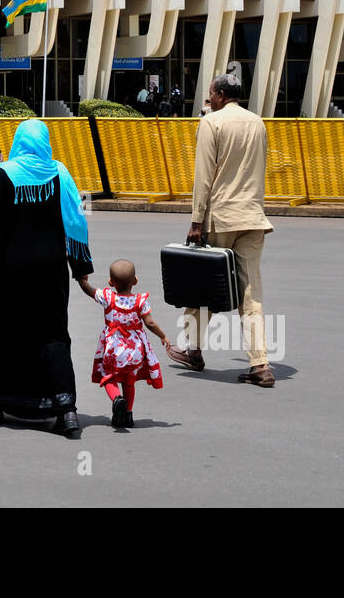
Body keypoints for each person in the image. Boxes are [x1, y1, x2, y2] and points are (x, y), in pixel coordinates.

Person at [0, 118, 93, 438]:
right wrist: (80, 269)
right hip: (50, 273)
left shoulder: (3, 174)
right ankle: (65, 409)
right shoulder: (60, 173)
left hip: (6, 273)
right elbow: (76, 220)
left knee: (0, 334)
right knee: (53, 335)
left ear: (18, 142)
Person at [164, 73, 276, 387]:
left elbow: (204, 176)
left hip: (221, 217)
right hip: (253, 217)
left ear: (221, 94)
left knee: (201, 286)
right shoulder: (257, 122)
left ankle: (193, 350)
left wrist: (196, 222)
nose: (209, 98)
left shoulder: (212, 123)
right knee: (251, 294)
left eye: (211, 93)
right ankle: (261, 365)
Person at [75, 260, 171, 428]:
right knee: (129, 381)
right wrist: (163, 336)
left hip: (114, 349)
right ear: (135, 281)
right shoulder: (140, 301)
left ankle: (117, 399)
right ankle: (128, 414)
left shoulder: (108, 297)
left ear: (111, 283)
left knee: (109, 377)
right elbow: (150, 323)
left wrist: (81, 278)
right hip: (135, 351)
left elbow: (87, 289)